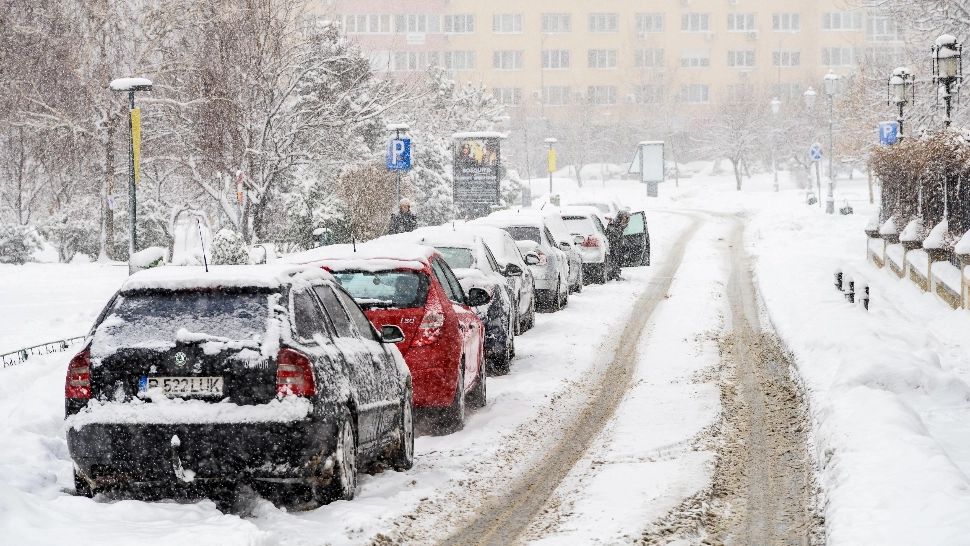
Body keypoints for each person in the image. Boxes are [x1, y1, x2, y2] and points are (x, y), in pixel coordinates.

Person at [605, 211, 630, 281]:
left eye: (627, 220)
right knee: (613, 260)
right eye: (624, 219)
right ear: (620, 218)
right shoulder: (613, 225)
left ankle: (615, 274)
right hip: (612, 247)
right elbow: (612, 236)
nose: (625, 222)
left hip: (617, 247)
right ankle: (613, 275)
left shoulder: (620, 226)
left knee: (617, 260)